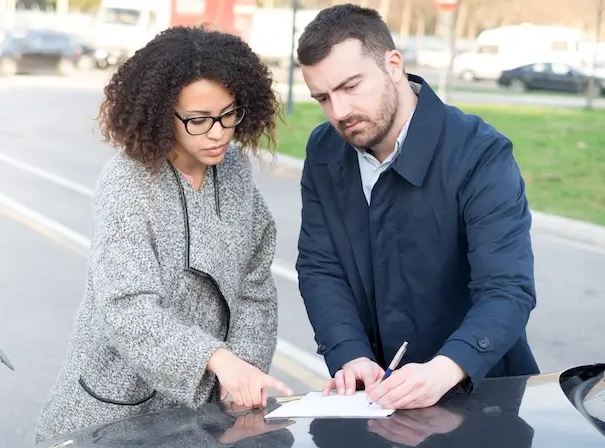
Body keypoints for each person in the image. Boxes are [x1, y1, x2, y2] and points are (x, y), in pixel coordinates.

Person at [34, 25, 293, 443]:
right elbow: (127, 306)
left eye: (229, 114)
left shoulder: (235, 171)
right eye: (198, 120)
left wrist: (241, 370)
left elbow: (255, 285)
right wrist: (215, 357)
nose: (218, 132)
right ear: (159, 113)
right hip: (115, 403)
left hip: (206, 407)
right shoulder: (126, 183)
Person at [294, 3, 540, 411]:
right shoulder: (324, 150)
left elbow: (507, 289)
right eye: (323, 97)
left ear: (393, 65)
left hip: (482, 400)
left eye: (351, 86)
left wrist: (445, 369)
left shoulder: (480, 153)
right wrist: (349, 353)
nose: (338, 112)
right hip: (375, 402)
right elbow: (321, 266)